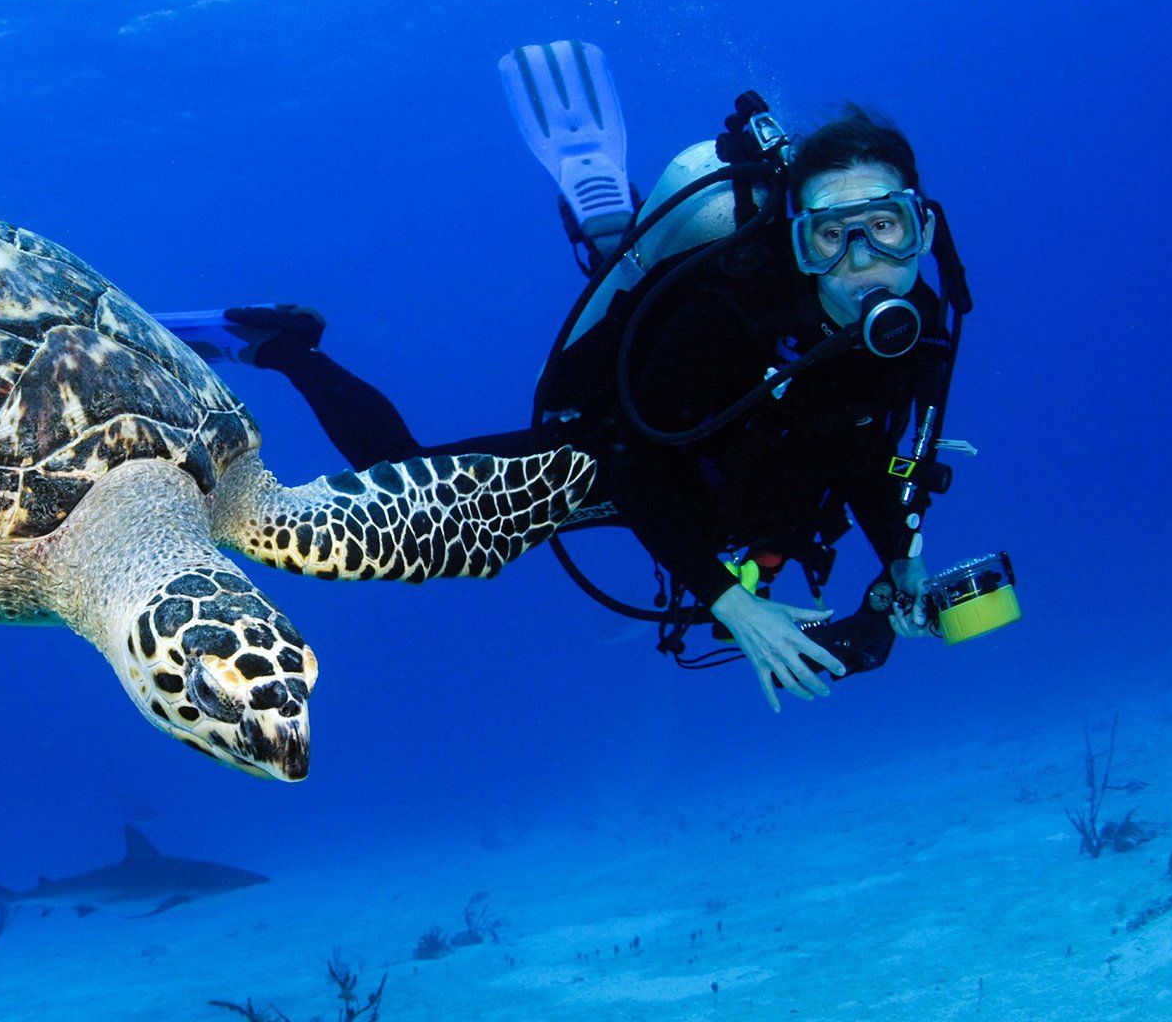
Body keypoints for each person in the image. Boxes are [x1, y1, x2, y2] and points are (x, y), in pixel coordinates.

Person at [163, 43, 979, 712]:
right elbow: (636, 462)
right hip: (623, 445)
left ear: (922, 228)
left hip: (729, 477)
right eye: (832, 237)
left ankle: (613, 237)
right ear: (798, 242)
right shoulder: (726, 319)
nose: (863, 262)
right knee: (406, 510)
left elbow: (863, 443)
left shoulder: (912, 327)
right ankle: (284, 346)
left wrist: (902, 561)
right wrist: (732, 603)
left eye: (885, 227)